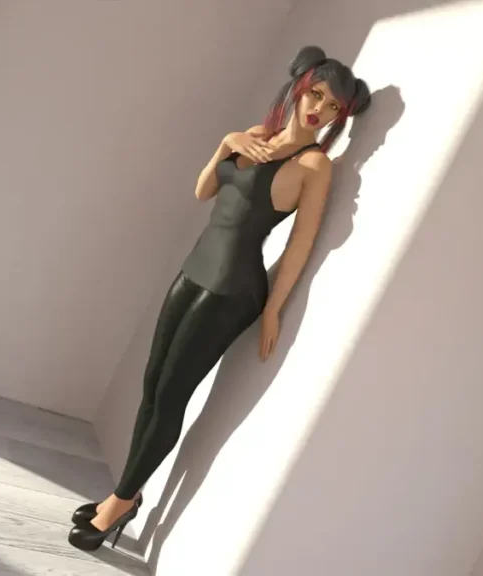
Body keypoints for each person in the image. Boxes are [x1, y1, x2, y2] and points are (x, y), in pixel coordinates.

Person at [67, 45, 371, 552]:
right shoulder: (252, 137)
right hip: (193, 271)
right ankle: (125, 494)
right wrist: (227, 142)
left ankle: (118, 504)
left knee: (172, 395)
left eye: (333, 106)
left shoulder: (315, 166)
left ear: (341, 115)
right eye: (315, 94)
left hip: (232, 289)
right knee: (152, 385)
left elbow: (300, 245)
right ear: (298, 89)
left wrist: (272, 308)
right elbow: (204, 191)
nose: (319, 108)